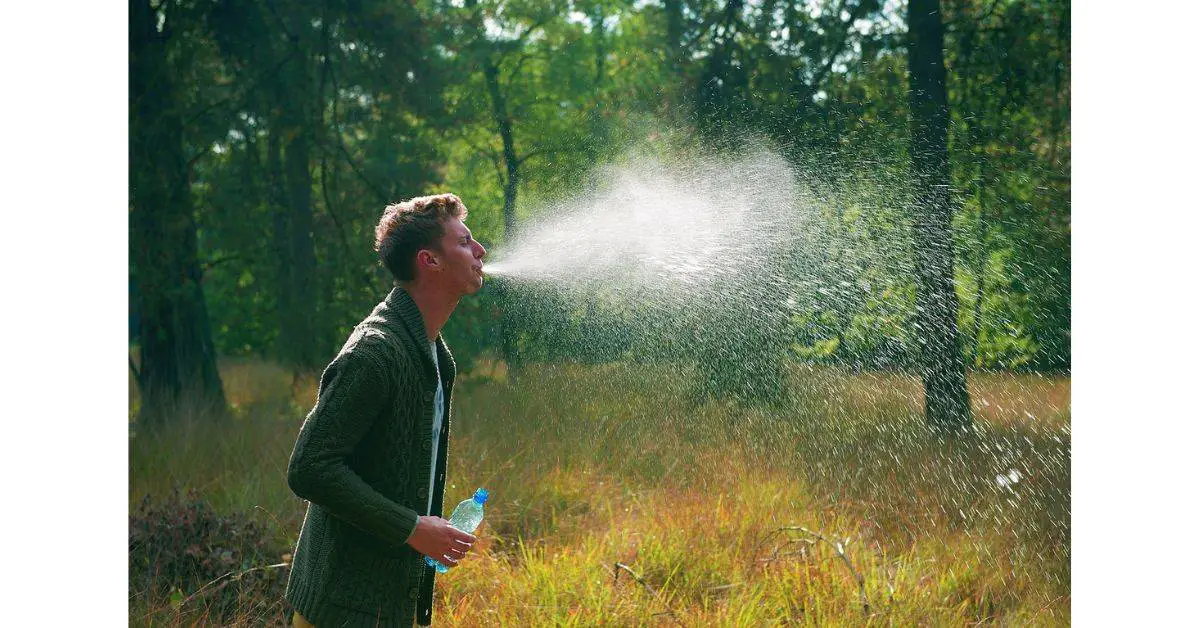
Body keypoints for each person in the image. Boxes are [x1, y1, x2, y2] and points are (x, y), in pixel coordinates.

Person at [284, 193, 488, 627]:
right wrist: (413, 527)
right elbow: (309, 468)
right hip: (340, 609)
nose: (480, 251)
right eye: (465, 241)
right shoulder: (375, 352)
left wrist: (418, 527)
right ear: (430, 261)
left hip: (385, 605)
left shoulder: (433, 353)